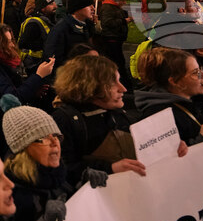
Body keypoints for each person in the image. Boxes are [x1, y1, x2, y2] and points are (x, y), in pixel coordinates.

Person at [52, 55, 151, 188]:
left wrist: (170, 146)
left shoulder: (118, 111)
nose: (123, 89)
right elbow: (62, 169)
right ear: (90, 87)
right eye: (112, 84)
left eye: (119, 80)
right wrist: (110, 168)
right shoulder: (65, 120)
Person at [0, 23, 53, 155]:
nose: (12, 45)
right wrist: (38, 76)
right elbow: (12, 98)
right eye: (8, 42)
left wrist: (33, 90)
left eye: (11, 40)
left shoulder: (0, 61)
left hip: (3, 125)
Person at [1, 102, 75, 221]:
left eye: (56, 136)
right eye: (43, 138)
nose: (55, 143)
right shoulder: (14, 196)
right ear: (23, 148)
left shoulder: (57, 174)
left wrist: (85, 186)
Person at [133, 48, 203, 146]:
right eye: (195, 73)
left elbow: (197, 128)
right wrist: (202, 140)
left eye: (200, 70)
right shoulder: (158, 117)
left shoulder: (182, 103)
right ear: (175, 82)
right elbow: (167, 154)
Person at [44, 0, 94, 71]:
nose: (93, 8)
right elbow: (53, 57)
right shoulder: (61, 29)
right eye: (88, 6)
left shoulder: (86, 26)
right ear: (77, 8)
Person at [17, 0, 57, 75]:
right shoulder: (33, 23)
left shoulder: (48, 20)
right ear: (42, 8)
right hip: (33, 64)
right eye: (50, 4)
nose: (55, 6)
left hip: (42, 62)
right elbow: (23, 43)